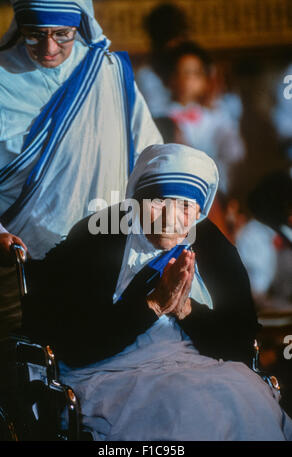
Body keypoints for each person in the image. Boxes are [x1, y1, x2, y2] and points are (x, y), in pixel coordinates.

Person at [22, 144, 292, 441]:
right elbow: (71, 345)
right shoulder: (97, 235)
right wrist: (151, 304)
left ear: (200, 212)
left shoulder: (212, 245)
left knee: (246, 399)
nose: (172, 218)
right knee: (190, 409)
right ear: (136, 202)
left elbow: (240, 343)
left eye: (187, 206)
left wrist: (184, 309)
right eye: (161, 201)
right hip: (113, 372)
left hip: (201, 367)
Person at [0, 0, 162, 339]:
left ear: (81, 25)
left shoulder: (107, 72)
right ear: (19, 27)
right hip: (17, 259)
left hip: (104, 255)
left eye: (62, 34)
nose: (49, 47)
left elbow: (151, 157)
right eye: (34, 35)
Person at [165, 41, 245, 195]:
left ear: (205, 80)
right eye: (185, 72)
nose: (190, 80)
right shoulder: (164, 114)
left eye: (196, 73)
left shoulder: (216, 116)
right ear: (172, 78)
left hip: (216, 185)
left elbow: (235, 152)